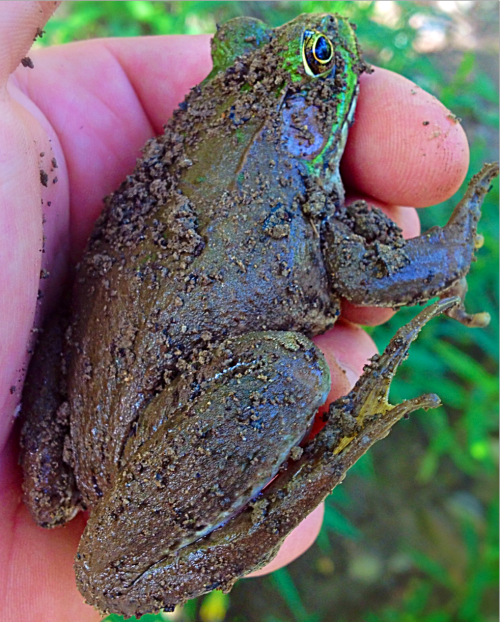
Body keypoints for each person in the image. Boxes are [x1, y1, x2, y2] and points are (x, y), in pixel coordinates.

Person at [0, 2, 472, 620]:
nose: (322, 32)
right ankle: (300, 480)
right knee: (297, 373)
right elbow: (375, 272)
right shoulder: (275, 176)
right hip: (133, 413)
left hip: (67, 456)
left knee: (293, 371)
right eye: (318, 60)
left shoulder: (209, 144)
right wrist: (462, 243)